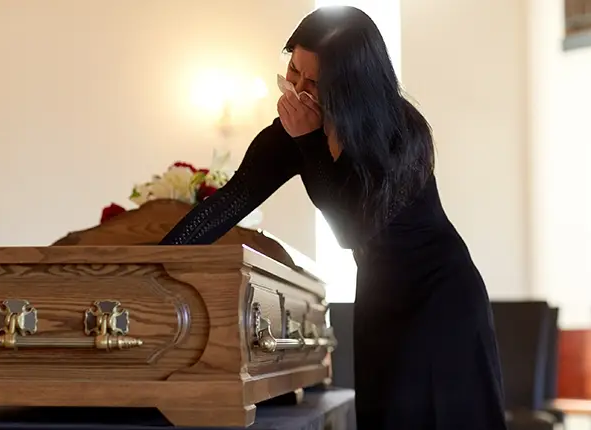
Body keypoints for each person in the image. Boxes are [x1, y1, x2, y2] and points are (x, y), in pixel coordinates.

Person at [160, 5, 506, 430]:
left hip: (441, 296)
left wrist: (308, 141)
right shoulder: (292, 130)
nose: (298, 90)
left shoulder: (404, 132)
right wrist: (153, 266)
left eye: (314, 82)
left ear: (349, 85)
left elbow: (352, 229)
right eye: (293, 73)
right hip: (380, 295)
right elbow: (227, 204)